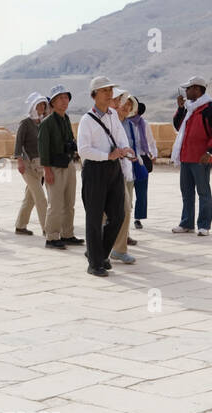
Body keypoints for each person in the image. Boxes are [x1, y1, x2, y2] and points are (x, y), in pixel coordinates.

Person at [77, 76, 135, 277]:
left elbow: (119, 137)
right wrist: (106, 155)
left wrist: (126, 149)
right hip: (95, 170)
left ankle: (99, 253)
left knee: (118, 215)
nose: (109, 93)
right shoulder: (86, 120)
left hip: (114, 169)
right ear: (94, 95)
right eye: (104, 90)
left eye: (110, 90)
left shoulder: (112, 115)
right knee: (94, 218)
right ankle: (95, 263)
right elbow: (83, 150)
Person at [171, 75, 212, 236]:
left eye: (188, 88)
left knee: (203, 192)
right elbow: (178, 126)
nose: (186, 91)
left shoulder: (209, 109)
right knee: (186, 192)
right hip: (186, 157)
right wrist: (180, 108)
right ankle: (186, 223)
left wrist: (209, 151)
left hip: (201, 158)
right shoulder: (189, 108)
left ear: (197, 89)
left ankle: (204, 225)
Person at [37, 83, 81, 250]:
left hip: (68, 164)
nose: (64, 101)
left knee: (69, 202)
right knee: (55, 204)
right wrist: (46, 170)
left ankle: (67, 234)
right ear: (53, 103)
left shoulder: (66, 118)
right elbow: (43, 147)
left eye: (66, 97)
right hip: (54, 167)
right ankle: (52, 237)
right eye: (60, 98)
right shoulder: (47, 123)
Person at [108, 92, 138, 264]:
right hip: (109, 170)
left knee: (126, 208)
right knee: (109, 211)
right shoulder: (107, 121)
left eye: (129, 105)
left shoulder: (128, 125)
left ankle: (119, 247)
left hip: (126, 170)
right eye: (123, 103)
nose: (126, 107)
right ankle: (104, 246)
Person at [12, 92, 48, 236]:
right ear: (33, 106)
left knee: (30, 197)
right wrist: (19, 161)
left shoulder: (42, 122)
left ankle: (20, 226)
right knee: (40, 197)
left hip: (39, 166)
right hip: (26, 165)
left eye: (43, 104)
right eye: (39, 104)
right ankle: (48, 229)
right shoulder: (25, 123)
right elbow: (18, 143)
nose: (42, 107)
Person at [126, 99, 156, 229]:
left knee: (142, 191)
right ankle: (125, 215)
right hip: (127, 158)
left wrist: (153, 154)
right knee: (126, 190)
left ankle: (138, 218)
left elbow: (151, 141)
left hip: (142, 159)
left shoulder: (144, 124)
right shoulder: (124, 123)